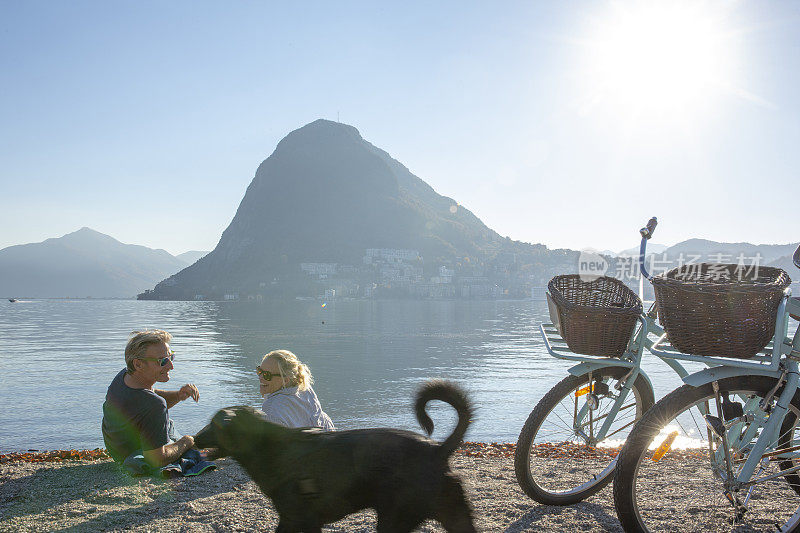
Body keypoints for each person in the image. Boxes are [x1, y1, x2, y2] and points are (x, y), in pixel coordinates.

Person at [102, 329, 199, 467]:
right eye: (163, 361)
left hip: (116, 448)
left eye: (171, 357)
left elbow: (148, 400)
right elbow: (157, 459)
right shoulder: (154, 405)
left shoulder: (124, 377)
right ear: (138, 364)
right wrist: (186, 442)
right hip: (135, 454)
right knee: (192, 447)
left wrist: (178, 395)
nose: (171, 366)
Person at [257, 349, 335, 431]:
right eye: (259, 371)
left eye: (267, 375)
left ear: (285, 380)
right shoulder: (304, 387)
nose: (260, 377)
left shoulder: (271, 408)